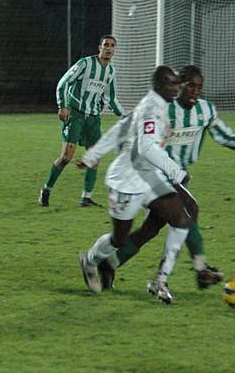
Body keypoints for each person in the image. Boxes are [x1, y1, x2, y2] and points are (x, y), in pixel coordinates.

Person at [97, 65, 235, 291]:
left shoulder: (205, 110)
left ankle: (109, 264)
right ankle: (200, 270)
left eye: (199, 87)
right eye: (190, 85)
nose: (195, 91)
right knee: (189, 209)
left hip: (178, 176)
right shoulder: (162, 110)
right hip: (156, 174)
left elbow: (223, 136)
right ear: (179, 85)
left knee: (150, 229)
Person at [77, 65, 198, 304]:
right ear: (158, 86)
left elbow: (119, 128)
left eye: (177, 84)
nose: (176, 89)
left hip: (149, 178)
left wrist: (93, 155)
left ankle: (160, 281)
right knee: (119, 239)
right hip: (126, 182)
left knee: (183, 218)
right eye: (171, 84)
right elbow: (146, 147)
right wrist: (176, 172)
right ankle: (90, 260)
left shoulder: (155, 102)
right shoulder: (150, 110)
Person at [38, 35, 126, 207]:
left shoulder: (110, 72)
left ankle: (86, 197)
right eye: (106, 45)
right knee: (66, 157)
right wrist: (62, 106)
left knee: (94, 157)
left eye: (112, 45)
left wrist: (125, 115)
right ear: (99, 47)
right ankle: (46, 189)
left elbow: (111, 99)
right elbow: (63, 83)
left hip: (93, 119)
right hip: (75, 115)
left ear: (115, 49)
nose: (109, 48)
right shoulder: (85, 64)